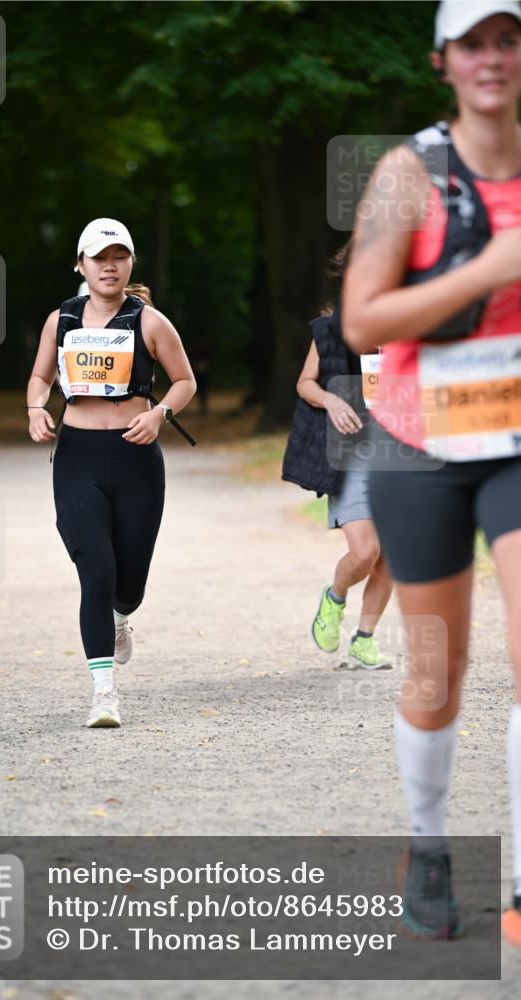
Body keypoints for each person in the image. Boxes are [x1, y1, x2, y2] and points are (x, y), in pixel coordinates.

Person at [343, 0, 521, 944]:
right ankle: (429, 846)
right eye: (473, 43)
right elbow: (364, 320)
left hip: (519, 444)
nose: (492, 58)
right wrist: (491, 266)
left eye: (509, 40)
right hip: (420, 444)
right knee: (435, 671)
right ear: (442, 60)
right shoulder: (409, 173)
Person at [27, 218, 196, 729]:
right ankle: (103, 693)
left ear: (129, 264)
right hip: (78, 456)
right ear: (80, 264)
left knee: (131, 585)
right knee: (95, 571)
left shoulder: (150, 322)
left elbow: (184, 381)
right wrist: (36, 408)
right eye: (99, 257)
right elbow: (39, 377)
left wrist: (159, 414)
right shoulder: (62, 320)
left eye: (118, 256)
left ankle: (122, 618)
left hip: (136, 459)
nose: (109, 266)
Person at [284, 289, 394, 670]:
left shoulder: (413, 328)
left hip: (400, 453)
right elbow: (305, 383)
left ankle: (364, 640)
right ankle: (335, 597)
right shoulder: (331, 331)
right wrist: (332, 400)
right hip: (354, 455)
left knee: (391, 558)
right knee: (365, 552)